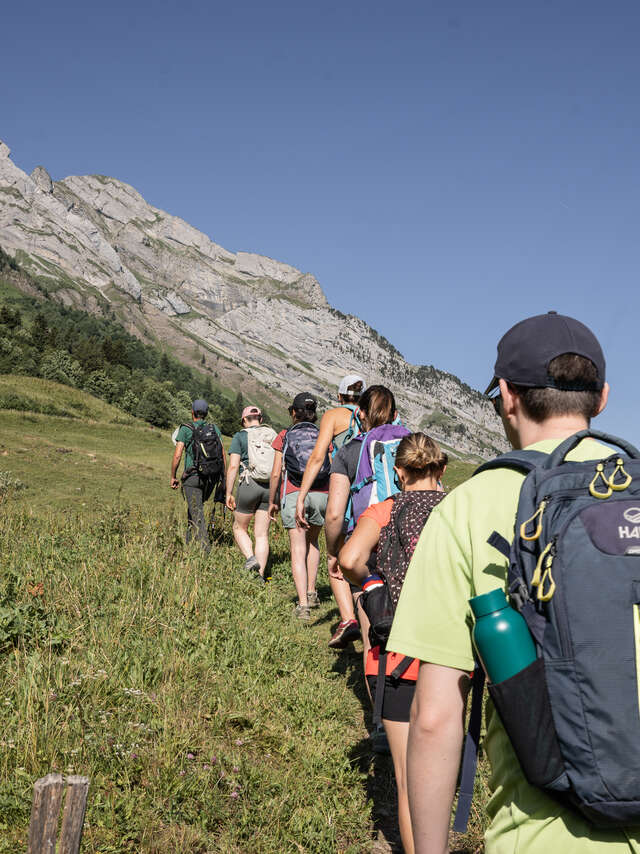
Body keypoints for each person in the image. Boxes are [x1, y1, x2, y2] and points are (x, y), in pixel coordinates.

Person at [386, 312, 640, 854]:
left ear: (506, 396)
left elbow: (435, 718)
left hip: (546, 833)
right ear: (602, 399)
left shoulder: (467, 508)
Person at [339, 432, 447, 854]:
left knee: (407, 779)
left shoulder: (385, 510)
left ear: (399, 472)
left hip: (395, 654)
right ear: (441, 469)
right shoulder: (456, 509)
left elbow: (349, 559)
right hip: (448, 655)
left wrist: (372, 582)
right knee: (438, 777)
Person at [325, 385, 407, 666]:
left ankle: (377, 685)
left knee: (371, 627)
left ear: (360, 414)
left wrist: (334, 551)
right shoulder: (413, 445)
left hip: (367, 538)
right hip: (411, 533)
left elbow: (334, 514)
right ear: (395, 414)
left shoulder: (349, 451)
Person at [294, 373, 366, 648]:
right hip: (373, 493)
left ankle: (348, 618)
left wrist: (302, 495)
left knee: (336, 557)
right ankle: (372, 615)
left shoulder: (334, 416)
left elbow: (317, 457)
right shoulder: (371, 415)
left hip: (344, 492)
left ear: (339, 395)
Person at [268, 392, 330, 620]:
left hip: (295, 493)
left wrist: (272, 501)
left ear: (294, 412)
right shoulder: (323, 434)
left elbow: (276, 473)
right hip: (322, 493)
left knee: (297, 548)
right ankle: (312, 592)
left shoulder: (284, 435)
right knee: (313, 542)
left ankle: (303, 605)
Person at [225, 406, 276, 581]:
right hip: (270, 487)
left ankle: (250, 558)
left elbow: (233, 466)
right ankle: (260, 577)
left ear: (244, 420)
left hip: (249, 484)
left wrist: (228, 492)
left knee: (239, 527)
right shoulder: (272, 434)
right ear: (260, 419)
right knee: (261, 534)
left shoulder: (240, 436)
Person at [170, 399, 225, 554]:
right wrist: (223, 478)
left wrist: (173, 476)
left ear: (192, 412)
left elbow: (177, 455)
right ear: (206, 413)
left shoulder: (185, 428)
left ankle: (205, 552)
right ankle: (188, 543)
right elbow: (222, 454)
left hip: (193, 477)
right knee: (194, 509)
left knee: (197, 512)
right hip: (211, 478)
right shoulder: (214, 428)